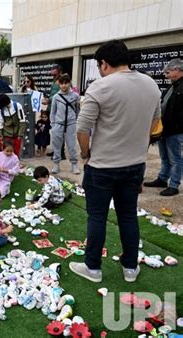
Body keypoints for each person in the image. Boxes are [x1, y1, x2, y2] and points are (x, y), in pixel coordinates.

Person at [70, 40, 161, 284]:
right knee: (128, 216)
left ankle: (93, 267)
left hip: (102, 166)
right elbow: (155, 124)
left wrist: (85, 154)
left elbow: (82, 128)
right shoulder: (151, 85)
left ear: (104, 64)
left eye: (99, 65)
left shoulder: (100, 87)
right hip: (134, 165)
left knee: (97, 217)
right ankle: (130, 267)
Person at [144, 58, 183, 196]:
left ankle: (174, 185)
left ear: (177, 70)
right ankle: (162, 179)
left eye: (168, 72)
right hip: (164, 129)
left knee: (175, 158)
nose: (165, 75)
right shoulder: (172, 86)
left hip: (176, 130)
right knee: (164, 156)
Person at [50, 74, 80, 175]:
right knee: (56, 145)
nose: (63, 86)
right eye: (61, 83)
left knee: (72, 145)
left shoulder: (75, 96)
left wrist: (75, 121)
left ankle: (74, 165)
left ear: (69, 83)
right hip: (58, 124)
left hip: (71, 124)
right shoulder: (56, 97)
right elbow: (52, 112)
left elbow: (77, 110)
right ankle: (56, 164)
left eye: (66, 83)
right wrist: (53, 124)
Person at [46, 64, 65, 158]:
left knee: (59, 132)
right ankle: (56, 150)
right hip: (53, 109)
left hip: (59, 110)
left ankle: (61, 153)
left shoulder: (63, 81)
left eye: (55, 74)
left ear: (60, 72)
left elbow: (60, 94)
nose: (53, 76)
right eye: (52, 75)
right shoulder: (55, 81)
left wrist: (48, 100)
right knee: (55, 132)